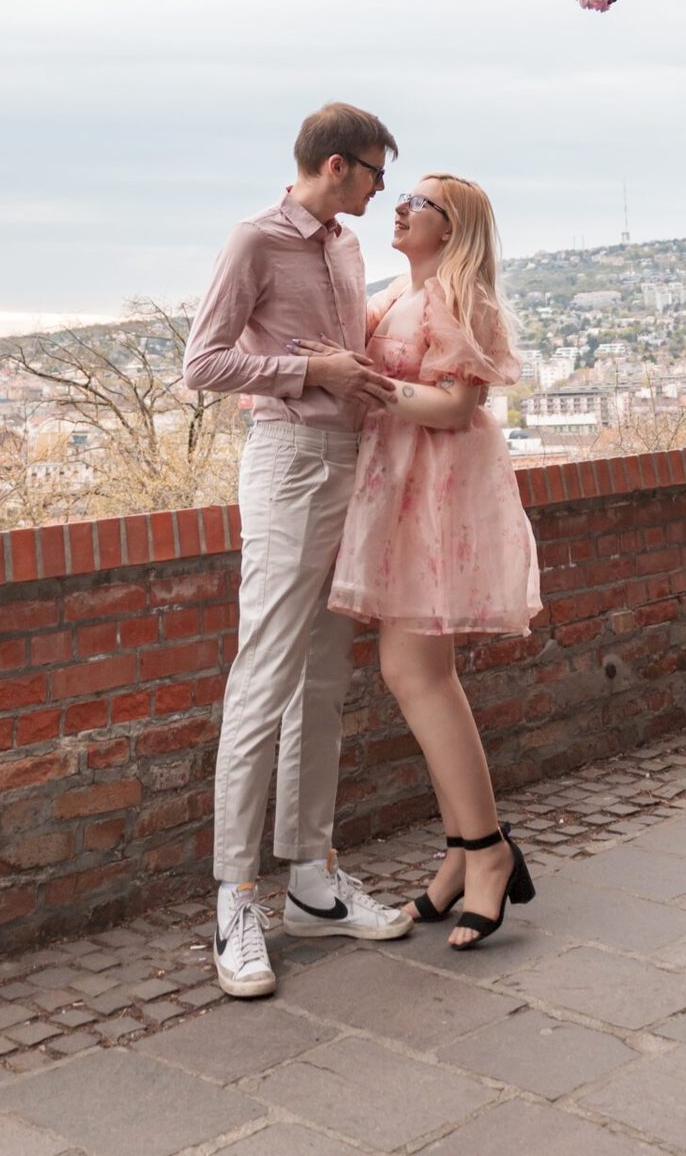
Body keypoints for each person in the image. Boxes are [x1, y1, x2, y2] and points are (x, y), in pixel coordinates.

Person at [183, 102, 415, 1000]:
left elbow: (349, 349)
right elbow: (202, 364)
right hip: (286, 466)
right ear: (333, 166)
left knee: (322, 680)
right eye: (373, 172)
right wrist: (308, 371)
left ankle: (312, 880)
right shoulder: (254, 241)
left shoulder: (349, 249)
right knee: (264, 676)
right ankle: (235, 896)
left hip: (349, 462)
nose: (380, 188)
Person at [314, 173, 542, 949]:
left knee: (418, 675)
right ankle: (463, 854)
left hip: (434, 496)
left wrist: (373, 391)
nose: (402, 207)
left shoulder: (455, 295)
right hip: (404, 494)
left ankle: (486, 853)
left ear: (452, 228)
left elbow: (454, 407)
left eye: (420, 202)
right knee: (416, 674)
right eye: (402, 196)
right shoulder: (398, 295)